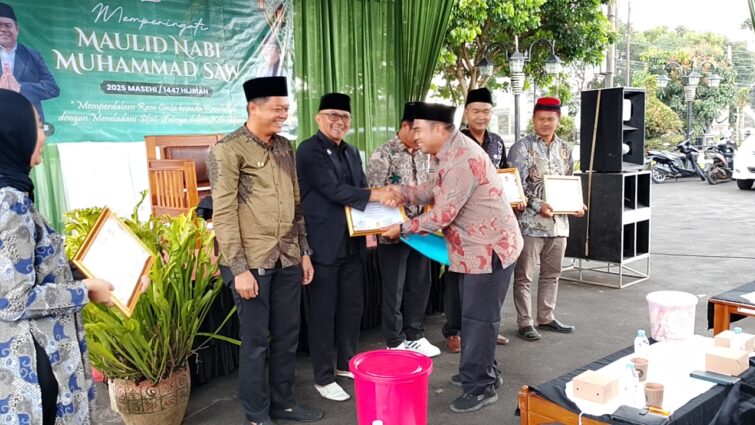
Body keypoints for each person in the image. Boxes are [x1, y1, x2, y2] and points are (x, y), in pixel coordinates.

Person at [382, 102, 523, 413]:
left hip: (488, 250)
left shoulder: (461, 159)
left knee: (479, 320)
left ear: (439, 129)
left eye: (419, 129)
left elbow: (442, 214)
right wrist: (402, 192)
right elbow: (433, 189)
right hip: (472, 250)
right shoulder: (446, 153)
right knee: (473, 318)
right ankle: (484, 371)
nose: (415, 136)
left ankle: (480, 386)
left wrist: (402, 228)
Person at [208, 76, 322, 425]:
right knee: (256, 341)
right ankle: (257, 414)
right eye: (277, 109)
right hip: (252, 261)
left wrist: (304, 251)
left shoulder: (286, 147)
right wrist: (238, 268)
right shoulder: (227, 150)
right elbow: (223, 214)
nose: (283, 115)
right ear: (253, 108)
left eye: (286, 109)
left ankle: (284, 404)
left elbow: (297, 204)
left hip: (287, 256)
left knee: (287, 336)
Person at [0, 89, 114, 424]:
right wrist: (86, 290)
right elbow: (12, 300)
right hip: (35, 366)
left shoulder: (13, 194)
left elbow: (27, 272)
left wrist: (84, 274)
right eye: (38, 126)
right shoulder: (9, 203)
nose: (44, 136)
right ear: (14, 132)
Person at [296, 93, 396, 402]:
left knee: (352, 308)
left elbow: (361, 187)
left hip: (353, 242)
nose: (339, 121)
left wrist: (379, 221)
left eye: (344, 117)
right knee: (323, 314)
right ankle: (323, 377)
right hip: (323, 244)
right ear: (318, 118)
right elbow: (334, 190)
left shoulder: (352, 151)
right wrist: (379, 196)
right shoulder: (308, 150)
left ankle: (346, 363)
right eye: (332, 115)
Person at [442, 87, 516, 353]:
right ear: (466, 113)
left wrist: (514, 196)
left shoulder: (497, 142)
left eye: (486, 111)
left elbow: (505, 175)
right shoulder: (456, 142)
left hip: (493, 226)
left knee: (489, 280)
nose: (481, 116)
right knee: (458, 279)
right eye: (476, 111)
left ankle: (485, 330)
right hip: (463, 223)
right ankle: (454, 331)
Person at [507, 97, 586, 342]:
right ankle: (525, 322)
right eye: (540, 118)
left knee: (552, 274)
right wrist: (537, 204)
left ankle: (546, 316)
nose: (545, 123)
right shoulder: (521, 148)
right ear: (533, 119)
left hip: (559, 224)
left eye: (550, 119)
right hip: (530, 223)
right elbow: (515, 185)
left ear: (558, 120)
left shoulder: (565, 149)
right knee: (524, 276)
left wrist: (577, 203)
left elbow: (569, 180)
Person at [366, 102, 440, 357]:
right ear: (405, 126)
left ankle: (415, 335)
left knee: (420, 284)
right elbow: (373, 194)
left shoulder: (424, 153)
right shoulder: (383, 153)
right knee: (393, 290)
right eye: (417, 130)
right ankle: (394, 340)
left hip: (420, 231)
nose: (420, 136)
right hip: (392, 234)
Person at [0, 3, 60, 121]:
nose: (3, 29)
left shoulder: (32, 55)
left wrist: (20, 88)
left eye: (8, 25)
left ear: (17, 29)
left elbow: (53, 88)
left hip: (28, 122)